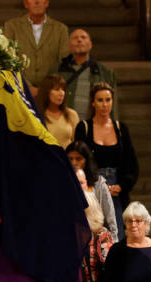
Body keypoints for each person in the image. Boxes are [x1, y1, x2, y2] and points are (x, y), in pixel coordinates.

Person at [74, 81, 138, 239]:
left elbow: (131, 163)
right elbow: (78, 159)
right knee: (92, 230)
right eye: (100, 100)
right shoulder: (84, 127)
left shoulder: (120, 128)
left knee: (117, 233)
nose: (104, 104)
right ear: (93, 102)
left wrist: (122, 185)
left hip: (116, 186)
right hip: (92, 183)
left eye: (108, 100)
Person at [2, 0, 69, 91]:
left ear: (46, 3)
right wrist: (26, 86)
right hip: (19, 89)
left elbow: (64, 61)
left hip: (51, 91)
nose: (37, 1)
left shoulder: (60, 29)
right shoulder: (12, 26)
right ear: (26, 3)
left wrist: (47, 87)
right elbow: (7, 58)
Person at [54, 28, 117, 119]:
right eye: (75, 38)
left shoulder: (105, 72)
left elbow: (112, 106)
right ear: (69, 46)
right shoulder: (57, 70)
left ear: (90, 45)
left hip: (93, 125)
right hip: (65, 123)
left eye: (83, 37)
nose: (79, 40)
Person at [66, 140, 117, 243]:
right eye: (70, 159)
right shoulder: (62, 181)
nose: (74, 163)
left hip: (96, 241)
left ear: (86, 160)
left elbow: (110, 218)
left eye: (78, 159)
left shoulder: (98, 183)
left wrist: (114, 244)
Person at [36, 73, 78, 145]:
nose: (61, 93)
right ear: (46, 92)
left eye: (63, 89)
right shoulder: (37, 114)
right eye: (57, 89)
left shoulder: (71, 114)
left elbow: (76, 144)